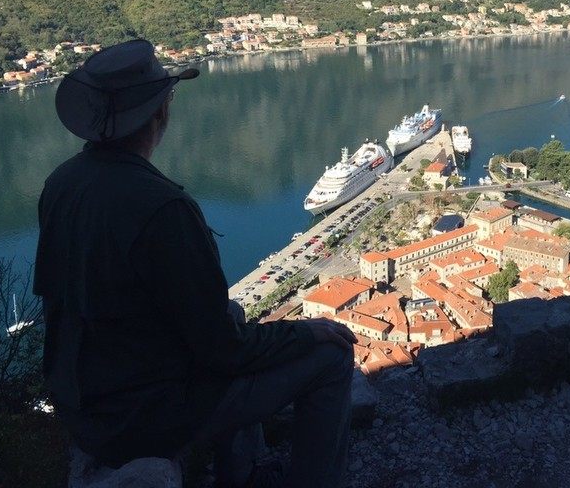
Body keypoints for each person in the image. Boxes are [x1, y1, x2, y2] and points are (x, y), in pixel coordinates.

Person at [34, 39, 357, 488]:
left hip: (83, 399)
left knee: (234, 311)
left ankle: (242, 474)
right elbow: (225, 349)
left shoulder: (61, 183)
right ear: (161, 111)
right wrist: (304, 331)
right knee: (330, 359)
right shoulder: (164, 209)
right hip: (141, 414)